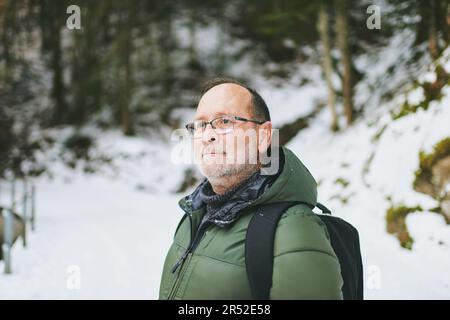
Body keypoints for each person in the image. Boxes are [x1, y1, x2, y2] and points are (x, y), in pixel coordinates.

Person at [158, 78, 343, 299]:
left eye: (224, 121)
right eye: (200, 125)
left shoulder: (294, 231)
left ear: (264, 136)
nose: (208, 135)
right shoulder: (194, 215)